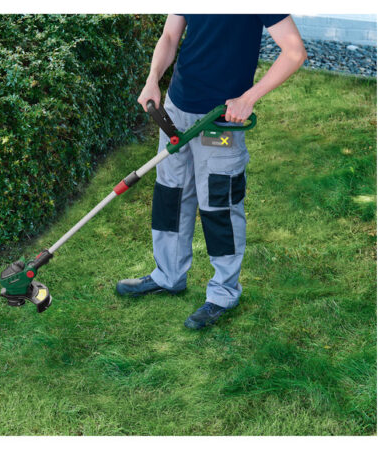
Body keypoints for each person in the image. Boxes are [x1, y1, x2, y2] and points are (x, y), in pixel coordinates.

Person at [116, 14, 307, 329]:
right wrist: (152, 79)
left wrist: (248, 98)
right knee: (170, 195)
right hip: (175, 111)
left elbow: (294, 51)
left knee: (220, 204)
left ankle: (223, 293)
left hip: (219, 120)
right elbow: (169, 36)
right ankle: (168, 275)